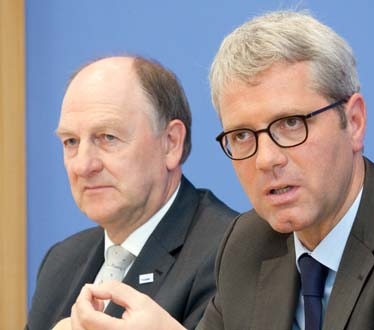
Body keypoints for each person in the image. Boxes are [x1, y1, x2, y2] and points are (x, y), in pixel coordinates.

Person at [61, 11, 374, 330]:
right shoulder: (248, 244)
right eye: (242, 136)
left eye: (291, 124)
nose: (266, 158)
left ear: (355, 122)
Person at [25, 55, 238, 330]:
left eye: (107, 138)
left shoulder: (230, 254)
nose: (83, 165)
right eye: (71, 142)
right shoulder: (61, 261)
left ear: (171, 143)